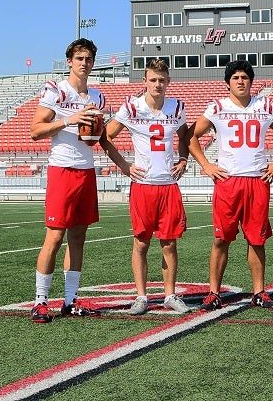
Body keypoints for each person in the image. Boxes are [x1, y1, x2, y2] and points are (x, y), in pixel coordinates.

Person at [188, 60, 273, 311]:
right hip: (228, 181)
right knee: (221, 239)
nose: (240, 81)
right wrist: (206, 165)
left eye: (245, 77)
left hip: (257, 180)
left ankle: (259, 292)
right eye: (235, 77)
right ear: (228, 82)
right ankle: (214, 292)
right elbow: (190, 136)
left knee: (256, 240)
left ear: (251, 81)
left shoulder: (264, 105)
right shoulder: (217, 107)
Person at [104, 58, 191, 315]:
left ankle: (170, 295)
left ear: (169, 82)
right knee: (141, 243)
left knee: (169, 243)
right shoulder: (132, 106)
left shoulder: (176, 107)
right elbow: (106, 135)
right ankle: (141, 296)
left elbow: (185, 136)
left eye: (162, 80)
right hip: (142, 184)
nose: (157, 84)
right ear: (144, 81)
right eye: (153, 80)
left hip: (167, 184)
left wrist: (184, 158)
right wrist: (123, 165)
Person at [29, 38, 106, 323]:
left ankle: (71, 300)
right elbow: (35, 130)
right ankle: (40, 301)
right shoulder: (56, 90)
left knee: (78, 236)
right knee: (55, 235)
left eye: (88, 59)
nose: (84, 63)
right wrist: (69, 119)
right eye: (79, 58)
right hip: (62, 169)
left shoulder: (97, 96)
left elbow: (97, 138)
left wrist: (97, 134)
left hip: (86, 170)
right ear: (69, 62)